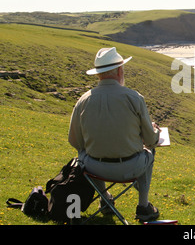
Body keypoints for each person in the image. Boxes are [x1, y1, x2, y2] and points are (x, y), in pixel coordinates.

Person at [68, 47, 161, 221]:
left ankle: (105, 200)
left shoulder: (83, 100)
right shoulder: (134, 98)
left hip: (94, 168)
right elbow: (150, 140)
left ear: (98, 74)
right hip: (130, 167)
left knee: (83, 153)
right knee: (150, 151)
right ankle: (143, 206)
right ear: (120, 70)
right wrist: (154, 130)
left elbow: (74, 140)